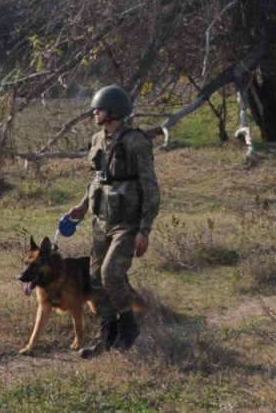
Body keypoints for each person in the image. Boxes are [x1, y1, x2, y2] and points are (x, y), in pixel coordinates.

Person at [67, 85, 160, 358]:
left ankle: (128, 327)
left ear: (115, 112)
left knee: (111, 275)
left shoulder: (135, 142)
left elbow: (150, 188)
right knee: (95, 278)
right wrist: (83, 205)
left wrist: (144, 230)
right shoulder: (97, 139)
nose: (95, 112)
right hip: (101, 219)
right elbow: (99, 178)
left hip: (127, 223)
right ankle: (107, 334)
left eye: (100, 109)